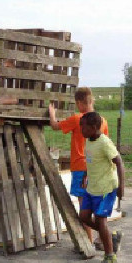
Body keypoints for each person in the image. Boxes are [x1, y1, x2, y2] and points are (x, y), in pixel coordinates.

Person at [48, 87, 108, 243]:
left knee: (84, 209)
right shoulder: (103, 121)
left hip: (81, 169)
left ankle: (88, 242)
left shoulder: (77, 119)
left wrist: (52, 114)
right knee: (97, 207)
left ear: (81, 103)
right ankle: (103, 239)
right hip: (97, 169)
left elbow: (55, 126)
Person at [79, 112, 125, 263]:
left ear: (93, 127)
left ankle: (110, 256)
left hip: (106, 189)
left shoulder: (105, 142)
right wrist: (85, 175)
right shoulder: (89, 140)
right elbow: (92, 160)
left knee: (100, 220)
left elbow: (119, 162)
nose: (81, 130)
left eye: (83, 127)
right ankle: (110, 237)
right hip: (92, 187)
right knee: (84, 217)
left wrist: (121, 187)